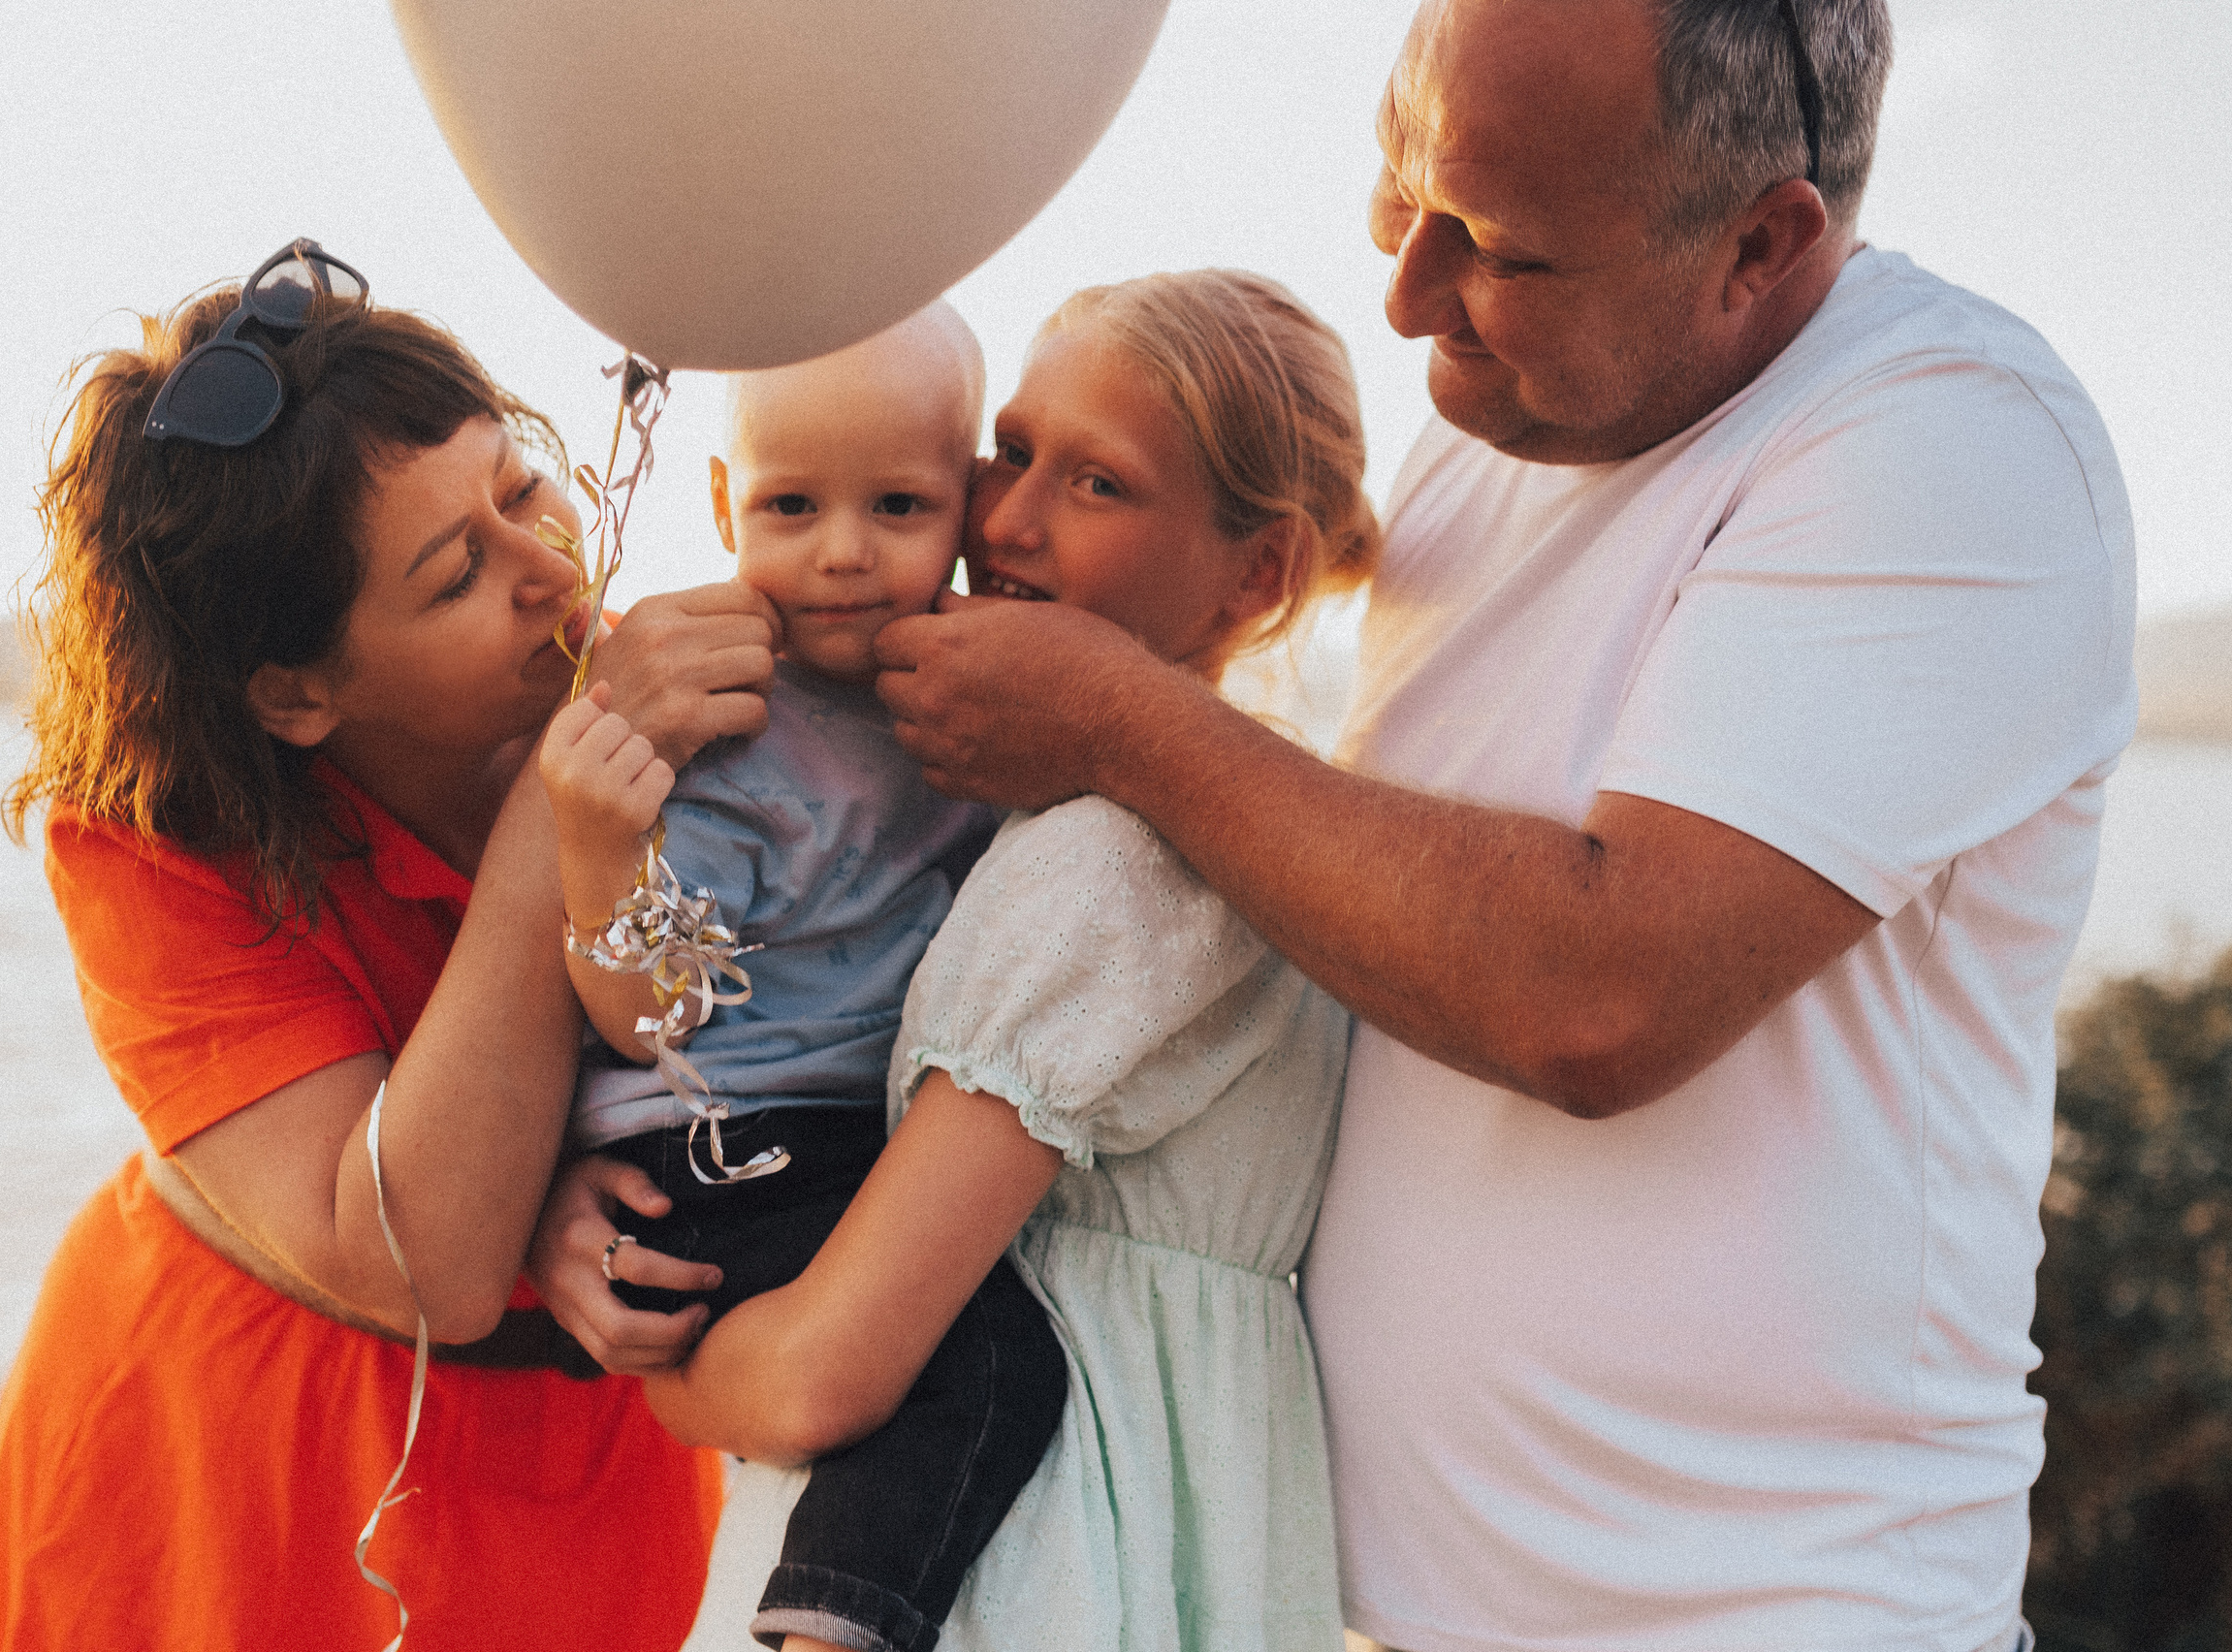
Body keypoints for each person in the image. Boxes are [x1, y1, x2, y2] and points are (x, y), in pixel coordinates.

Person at [864, 3, 2135, 1649]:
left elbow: (1596, 995)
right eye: (1403, 184)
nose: (1404, 295)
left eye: (1500, 252)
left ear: (1760, 240)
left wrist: (1119, 715)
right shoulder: (1493, 431)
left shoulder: (1946, 441)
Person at [536, 267, 1379, 1652]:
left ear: (1261, 572)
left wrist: (668, 1369)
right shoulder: (1204, 823)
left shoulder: (1110, 859)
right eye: (1014, 456)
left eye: (1097, 484)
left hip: (1022, 1546)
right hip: (1135, 1496)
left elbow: (821, 1377)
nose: (1010, 522)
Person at [0, 238, 777, 1650]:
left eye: (522, 484)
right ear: (295, 693)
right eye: (459, 574)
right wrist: (548, 824)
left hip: (586, 1463)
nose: (548, 568)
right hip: (237, 1473)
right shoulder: (147, 842)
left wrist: (612, 1183)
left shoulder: (687, 725)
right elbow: (422, 1263)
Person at [540, 302, 1068, 1652]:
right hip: (728, 1139)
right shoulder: (729, 721)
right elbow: (646, 1016)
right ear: (724, 504)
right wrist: (601, 851)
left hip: (837, 1132)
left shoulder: (966, 686)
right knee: (989, 1361)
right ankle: (834, 1627)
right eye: (790, 506)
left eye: (897, 503)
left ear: (969, 503)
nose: (841, 552)